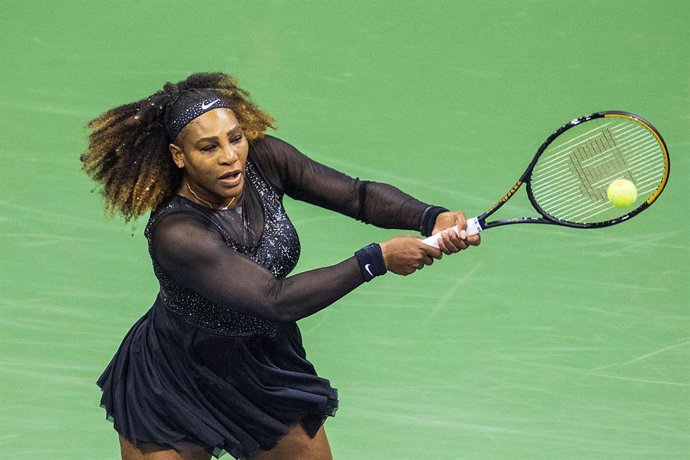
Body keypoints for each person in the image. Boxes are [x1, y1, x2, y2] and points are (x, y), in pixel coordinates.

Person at [82, 72, 480, 460]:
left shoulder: (266, 160)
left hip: (264, 364)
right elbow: (274, 301)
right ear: (179, 156)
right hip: (173, 378)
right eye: (208, 147)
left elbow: (356, 196)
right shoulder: (179, 232)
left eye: (235, 138)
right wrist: (376, 260)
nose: (229, 156)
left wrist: (431, 217)